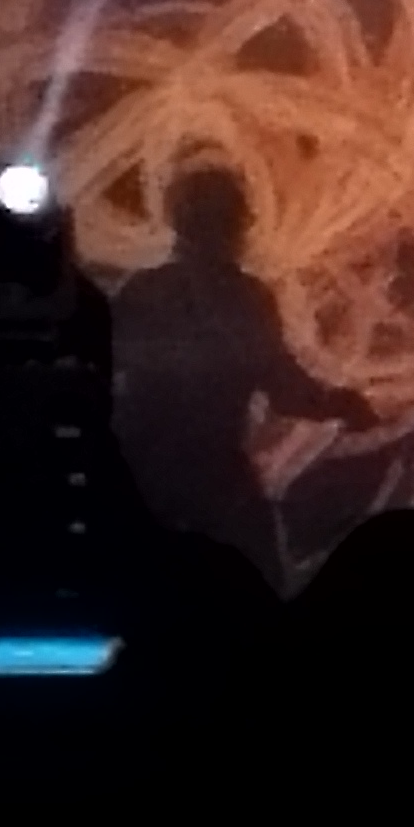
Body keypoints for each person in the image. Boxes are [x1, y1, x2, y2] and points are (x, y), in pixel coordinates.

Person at [106, 169, 371, 592]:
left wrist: (338, 404)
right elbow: (284, 387)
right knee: (251, 582)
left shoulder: (147, 291)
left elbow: (282, 386)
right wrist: (341, 404)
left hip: (154, 471)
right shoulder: (239, 297)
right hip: (198, 475)